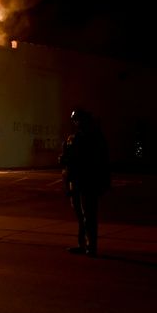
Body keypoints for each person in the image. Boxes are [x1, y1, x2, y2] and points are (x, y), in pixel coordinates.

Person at [58, 107, 110, 257]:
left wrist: (104, 182)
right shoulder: (74, 138)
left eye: (78, 120)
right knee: (81, 215)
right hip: (75, 180)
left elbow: (101, 160)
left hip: (88, 181)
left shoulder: (94, 137)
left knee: (89, 215)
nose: (76, 123)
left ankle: (90, 246)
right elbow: (68, 158)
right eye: (75, 120)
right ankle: (83, 244)